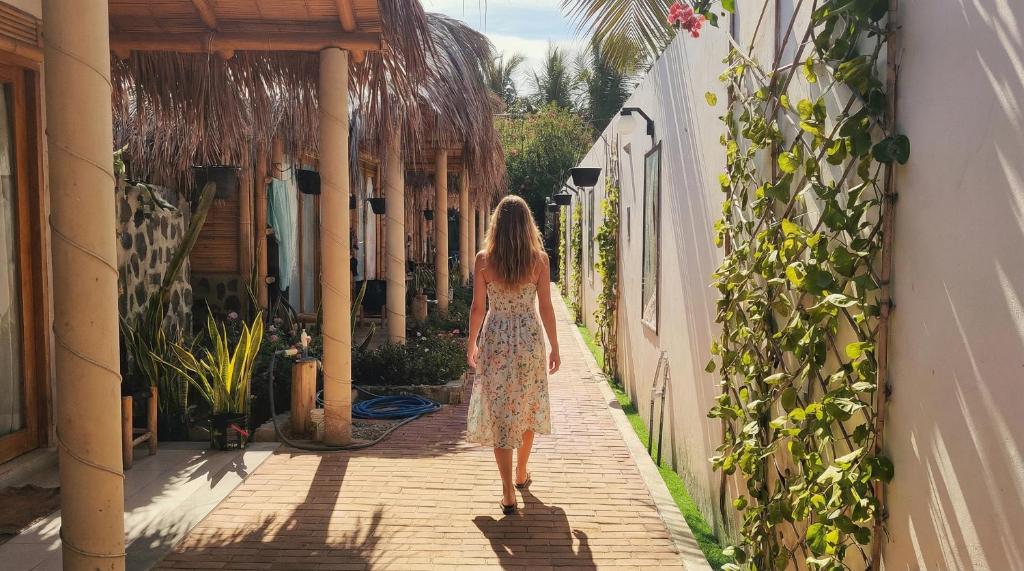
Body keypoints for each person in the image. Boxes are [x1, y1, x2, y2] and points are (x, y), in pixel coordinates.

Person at [466, 195, 560, 515]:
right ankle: (521, 473)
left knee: (500, 414)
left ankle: (507, 491)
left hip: (496, 342)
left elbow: (478, 308)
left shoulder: (483, 260)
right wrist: (555, 346)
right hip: (530, 341)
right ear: (527, 225)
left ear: (496, 224)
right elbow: (546, 307)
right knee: (528, 406)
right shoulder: (540, 261)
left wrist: (471, 342)